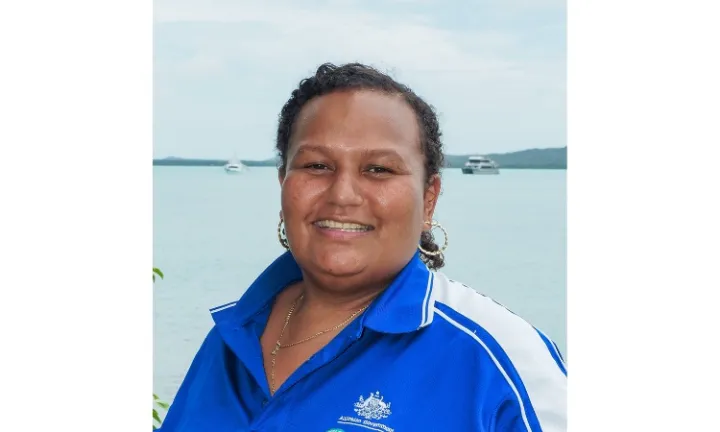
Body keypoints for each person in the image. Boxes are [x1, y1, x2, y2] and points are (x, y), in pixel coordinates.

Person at [158, 62, 566, 431]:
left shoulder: (497, 360)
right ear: (283, 182)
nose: (343, 195)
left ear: (429, 198)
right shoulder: (232, 338)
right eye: (317, 165)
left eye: (378, 169)